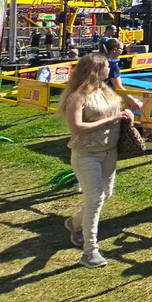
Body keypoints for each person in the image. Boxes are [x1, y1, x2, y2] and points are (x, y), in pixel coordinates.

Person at [59, 53, 133, 268]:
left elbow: (117, 113)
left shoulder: (106, 91)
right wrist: (109, 120)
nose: (110, 69)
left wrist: (127, 116)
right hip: (86, 153)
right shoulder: (77, 96)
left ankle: (75, 223)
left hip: (109, 151)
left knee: (106, 193)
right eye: (106, 66)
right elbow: (77, 128)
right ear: (96, 70)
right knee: (95, 198)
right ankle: (90, 251)